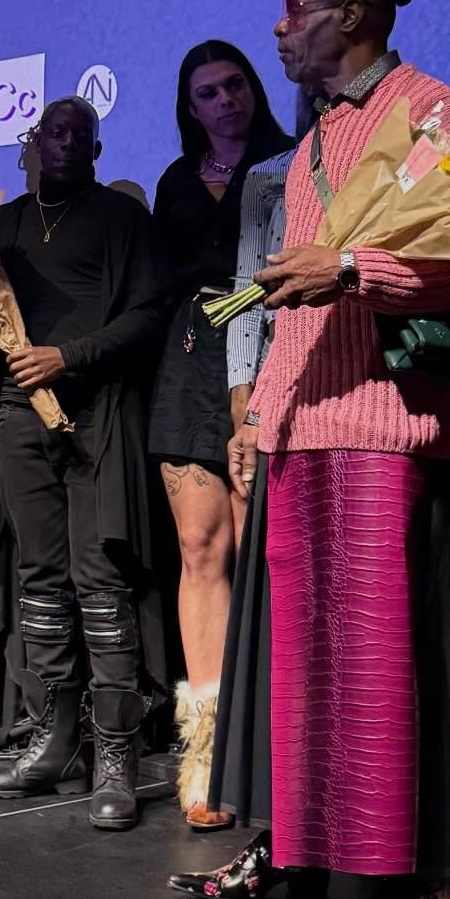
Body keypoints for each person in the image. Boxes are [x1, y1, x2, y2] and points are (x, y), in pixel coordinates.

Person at [230, 0, 450, 899]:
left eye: (294, 11)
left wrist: (349, 263)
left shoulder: (436, 110)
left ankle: (389, 888)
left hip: (383, 432)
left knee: (375, 676)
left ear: (355, 17)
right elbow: (293, 309)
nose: (281, 28)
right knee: (306, 677)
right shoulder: (313, 143)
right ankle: (322, 863)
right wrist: (264, 414)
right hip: (304, 433)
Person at [0, 97, 172, 833]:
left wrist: (70, 356)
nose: (63, 142)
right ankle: (52, 739)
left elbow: (150, 313)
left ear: (96, 147)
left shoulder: (122, 220)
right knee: (39, 581)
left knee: (100, 581)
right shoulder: (7, 225)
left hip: (97, 414)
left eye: (77, 134)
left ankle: (114, 754)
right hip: (20, 417)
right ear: (30, 144)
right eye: (51, 131)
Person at [147, 42, 293, 828]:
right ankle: (203, 755)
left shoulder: (292, 161)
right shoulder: (175, 178)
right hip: (187, 362)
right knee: (200, 552)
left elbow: (265, 282)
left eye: (235, 84)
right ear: (190, 106)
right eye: (207, 92)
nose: (225, 99)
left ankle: (265, 755)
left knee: (261, 555)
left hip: (266, 358)